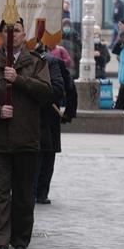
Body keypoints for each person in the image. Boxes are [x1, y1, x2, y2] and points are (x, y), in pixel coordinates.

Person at [0, 19, 52, 249]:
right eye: (7, 31)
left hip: (27, 138)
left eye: (16, 30)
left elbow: (47, 93)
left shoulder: (36, 63)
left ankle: (20, 239)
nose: (11, 35)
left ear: (24, 34)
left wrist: (19, 79)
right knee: (0, 192)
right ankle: (1, 240)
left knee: (25, 194)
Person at [35, 47, 77, 205]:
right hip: (38, 116)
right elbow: (71, 89)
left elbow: (69, 88)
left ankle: (40, 192)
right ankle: (40, 193)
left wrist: (69, 113)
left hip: (48, 116)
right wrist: (69, 113)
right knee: (45, 154)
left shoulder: (53, 62)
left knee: (46, 154)